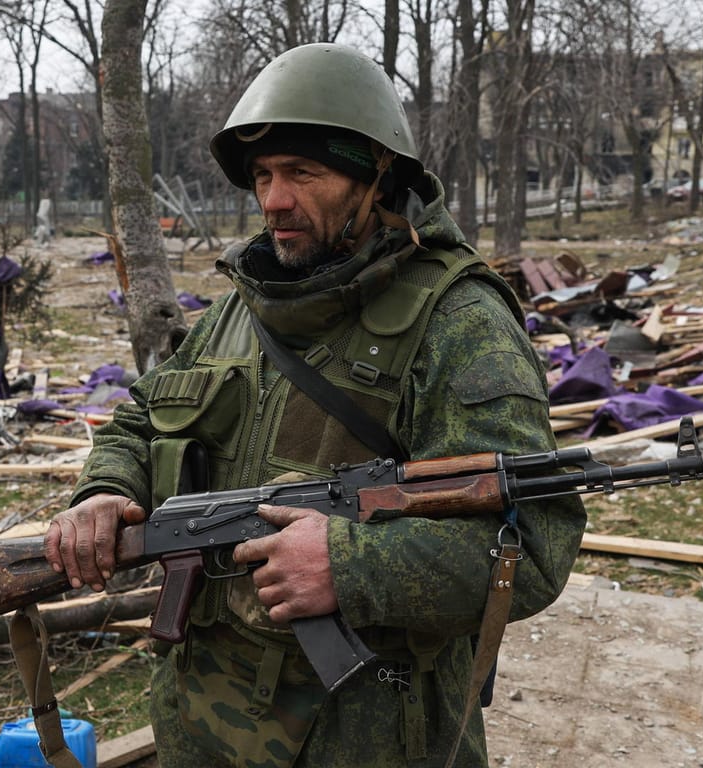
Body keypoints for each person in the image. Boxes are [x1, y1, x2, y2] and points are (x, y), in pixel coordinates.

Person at [42, 43, 586, 767]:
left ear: (376, 177)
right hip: (199, 722)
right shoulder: (241, 312)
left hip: (361, 736)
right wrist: (105, 490)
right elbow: (142, 418)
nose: (274, 200)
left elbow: (535, 547)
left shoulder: (459, 324)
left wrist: (350, 564)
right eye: (264, 175)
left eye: (304, 171)